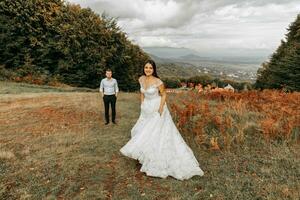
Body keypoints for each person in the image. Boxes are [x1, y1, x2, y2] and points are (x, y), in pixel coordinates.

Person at [120, 60, 204, 180]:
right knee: (143, 131)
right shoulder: (141, 79)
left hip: (157, 108)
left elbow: (164, 94)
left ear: (154, 69)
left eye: (150, 68)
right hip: (146, 109)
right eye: (146, 67)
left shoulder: (158, 81)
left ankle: (155, 159)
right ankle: (145, 156)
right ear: (144, 68)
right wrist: (142, 104)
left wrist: (160, 108)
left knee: (154, 133)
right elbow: (142, 93)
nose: (148, 69)